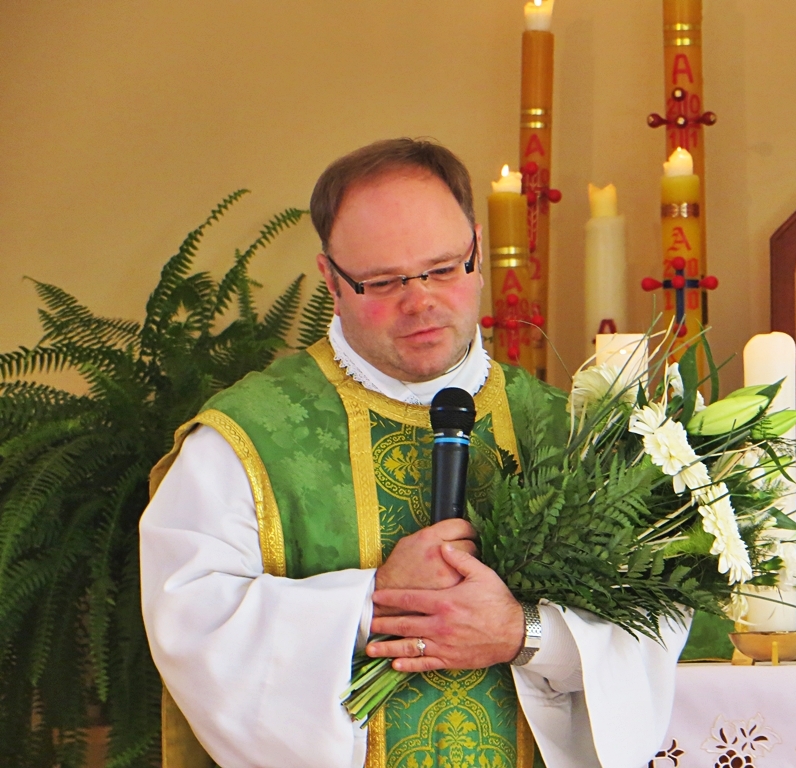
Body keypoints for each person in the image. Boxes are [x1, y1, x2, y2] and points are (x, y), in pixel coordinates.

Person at [141, 138, 688, 768]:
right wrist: (373, 600)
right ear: (331, 280)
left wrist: (522, 632)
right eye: (383, 280)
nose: (420, 300)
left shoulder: (566, 428)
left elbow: (653, 617)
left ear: (478, 251)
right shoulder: (246, 439)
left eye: (442, 268)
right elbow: (192, 623)